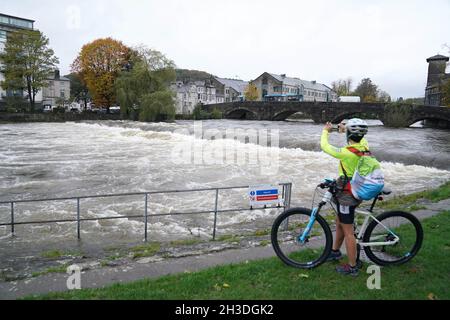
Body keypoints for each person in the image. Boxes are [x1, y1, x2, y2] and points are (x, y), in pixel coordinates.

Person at [321, 118, 370, 277]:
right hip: (355, 189)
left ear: (349, 133)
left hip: (347, 194)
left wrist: (325, 131)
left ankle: (352, 266)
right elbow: (357, 138)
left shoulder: (346, 152)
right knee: (339, 221)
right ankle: (335, 252)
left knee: (349, 231)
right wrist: (345, 129)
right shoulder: (364, 146)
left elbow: (325, 147)